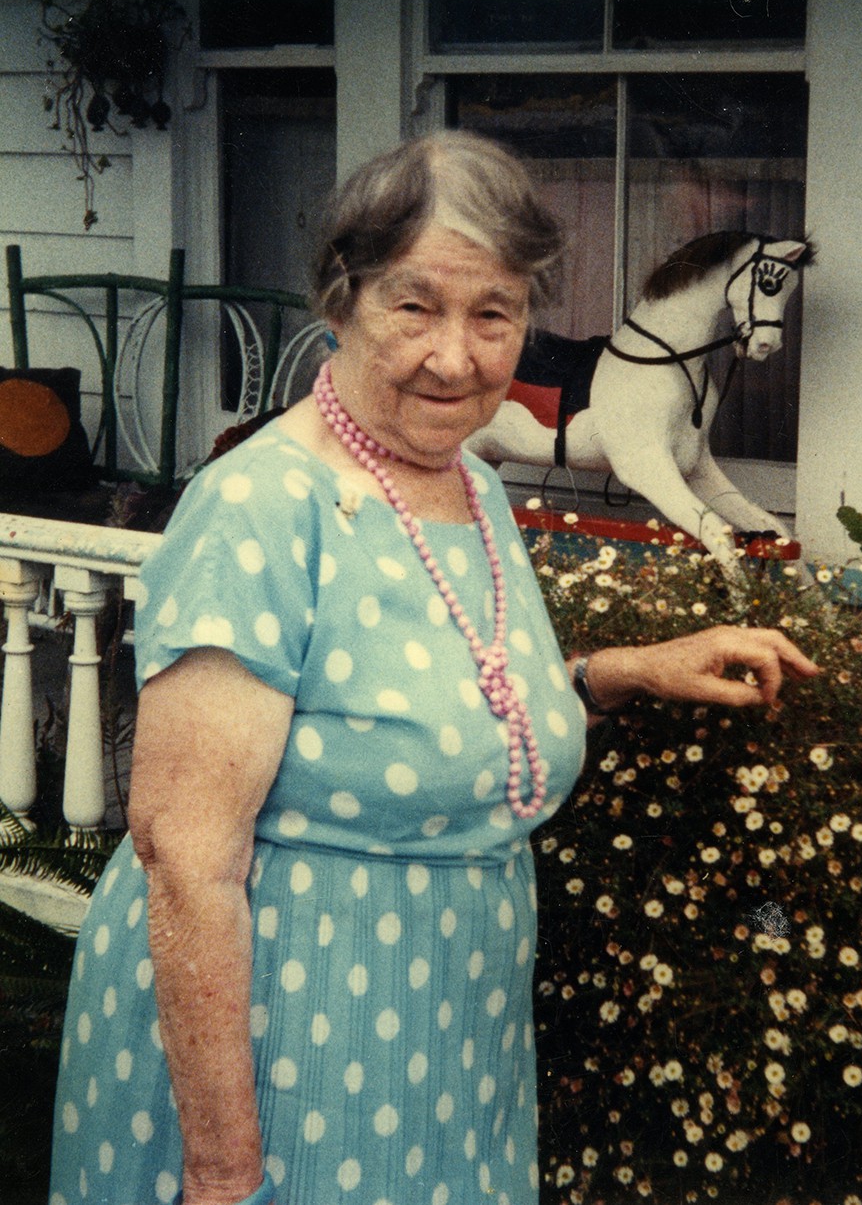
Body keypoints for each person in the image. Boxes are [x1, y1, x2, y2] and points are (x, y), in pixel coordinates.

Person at [48, 130, 819, 1205]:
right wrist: (225, 1175)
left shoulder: (472, 487)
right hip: (281, 1066)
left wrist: (626, 671)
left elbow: (448, 716)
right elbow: (186, 862)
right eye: (415, 306)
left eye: (492, 313)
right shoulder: (261, 512)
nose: (455, 356)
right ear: (340, 301)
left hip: (450, 1057)